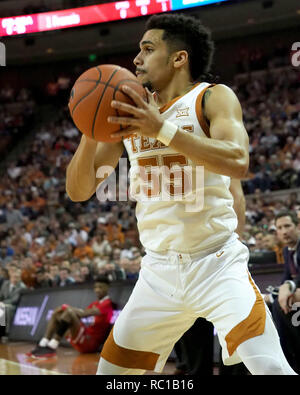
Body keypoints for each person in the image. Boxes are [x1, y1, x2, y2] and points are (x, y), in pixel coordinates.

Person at [66, 13, 296, 375]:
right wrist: (90, 125)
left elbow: (238, 161)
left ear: (179, 58)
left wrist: (161, 128)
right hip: (158, 272)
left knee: (271, 369)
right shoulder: (127, 113)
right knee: (111, 376)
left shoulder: (212, 97)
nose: (137, 59)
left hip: (217, 264)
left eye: (147, 48)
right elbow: (79, 191)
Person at [27, 277, 113, 358]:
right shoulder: (95, 303)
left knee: (69, 312)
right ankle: (43, 344)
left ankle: (52, 347)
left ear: (107, 288)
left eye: (100, 287)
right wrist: (65, 310)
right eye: (96, 287)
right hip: (84, 337)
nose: (97, 290)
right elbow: (79, 314)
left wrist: (68, 308)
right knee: (57, 312)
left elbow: (84, 313)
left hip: (91, 342)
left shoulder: (107, 304)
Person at [266, 211, 300, 372]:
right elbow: (285, 278)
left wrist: (289, 286)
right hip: (295, 297)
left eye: (288, 226)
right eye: (280, 228)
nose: (284, 231)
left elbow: (291, 281)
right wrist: (272, 295)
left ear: (298, 226)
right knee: (274, 304)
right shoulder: (287, 251)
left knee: (281, 305)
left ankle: (289, 361)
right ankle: (286, 360)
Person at [0, 268, 26, 336]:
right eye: (14, 277)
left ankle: (6, 332)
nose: (15, 279)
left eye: (17, 277)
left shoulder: (22, 287)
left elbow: (14, 300)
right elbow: (1, 295)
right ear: (10, 277)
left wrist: (2, 303)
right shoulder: (5, 284)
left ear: (20, 278)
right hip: (4, 304)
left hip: (16, 306)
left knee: (4, 309)